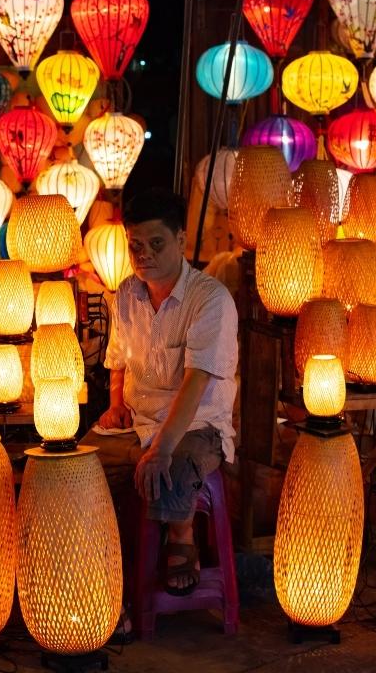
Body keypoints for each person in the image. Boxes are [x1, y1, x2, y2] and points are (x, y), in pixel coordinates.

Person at [81, 187, 238, 596]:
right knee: (76, 465)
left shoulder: (210, 300)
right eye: (136, 246)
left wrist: (162, 448)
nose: (144, 254)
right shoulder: (127, 294)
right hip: (135, 421)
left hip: (194, 424)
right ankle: (101, 560)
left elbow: (196, 382)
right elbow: (117, 359)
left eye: (156, 243)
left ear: (181, 241)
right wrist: (115, 406)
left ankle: (180, 538)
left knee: (176, 466)